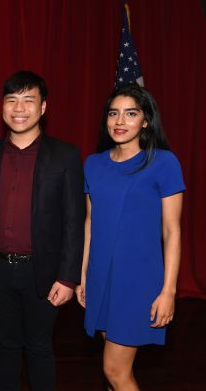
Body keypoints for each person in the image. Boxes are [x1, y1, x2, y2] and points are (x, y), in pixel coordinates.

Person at [0, 71, 85, 390]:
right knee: (5, 346)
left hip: (44, 273)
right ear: (2, 107)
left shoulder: (66, 155)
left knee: (39, 347)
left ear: (43, 107)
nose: (19, 108)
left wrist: (68, 277)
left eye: (28, 100)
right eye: (11, 100)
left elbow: (75, 220)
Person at [76, 84, 184, 390]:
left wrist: (169, 291)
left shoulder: (163, 163)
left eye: (130, 113)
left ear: (145, 121)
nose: (120, 121)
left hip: (138, 281)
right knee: (115, 369)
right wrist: (84, 275)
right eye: (113, 113)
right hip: (101, 277)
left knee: (115, 371)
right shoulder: (93, 164)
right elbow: (90, 222)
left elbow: (172, 231)